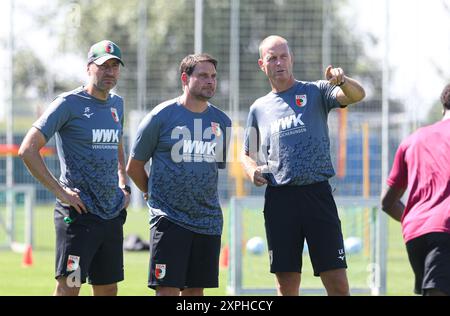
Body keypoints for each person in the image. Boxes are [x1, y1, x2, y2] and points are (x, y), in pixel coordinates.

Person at [242, 35, 365, 296]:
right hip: (279, 200)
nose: (279, 62)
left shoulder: (316, 91)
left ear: (291, 58)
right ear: (261, 64)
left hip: (317, 195)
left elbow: (357, 95)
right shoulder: (258, 108)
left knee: (338, 282)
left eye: (283, 56)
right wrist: (251, 169)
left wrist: (342, 80)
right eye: (272, 58)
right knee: (286, 285)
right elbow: (246, 153)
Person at [18, 40, 130, 296]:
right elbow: (28, 149)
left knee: (108, 288)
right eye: (103, 66)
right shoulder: (68, 103)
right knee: (70, 286)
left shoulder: (118, 105)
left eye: (115, 66)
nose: (110, 72)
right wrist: (62, 193)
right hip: (79, 213)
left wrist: (123, 184)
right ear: (89, 67)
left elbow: (118, 143)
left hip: (111, 212)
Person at [126, 53, 231, 296]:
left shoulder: (222, 122)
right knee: (168, 292)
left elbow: (214, 168)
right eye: (203, 75)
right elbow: (134, 166)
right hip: (169, 219)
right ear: (185, 78)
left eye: (213, 76)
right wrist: (151, 194)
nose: (210, 81)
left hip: (208, 221)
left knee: (195, 295)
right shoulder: (160, 117)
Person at [381, 84, 450, 296]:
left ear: (442, 108)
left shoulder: (413, 139)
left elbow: (388, 202)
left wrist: (423, 221)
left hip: (416, 233)